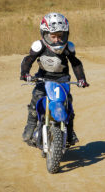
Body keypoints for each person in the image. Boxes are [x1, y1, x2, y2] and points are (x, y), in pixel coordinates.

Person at [20, 12, 89, 147]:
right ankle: (30, 127)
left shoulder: (68, 47)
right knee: (36, 98)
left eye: (60, 36)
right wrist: (25, 73)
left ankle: (69, 131)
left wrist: (81, 79)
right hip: (42, 78)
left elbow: (76, 63)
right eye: (53, 36)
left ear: (66, 34)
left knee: (67, 103)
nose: (57, 40)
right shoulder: (39, 46)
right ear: (45, 34)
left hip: (62, 79)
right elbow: (28, 60)